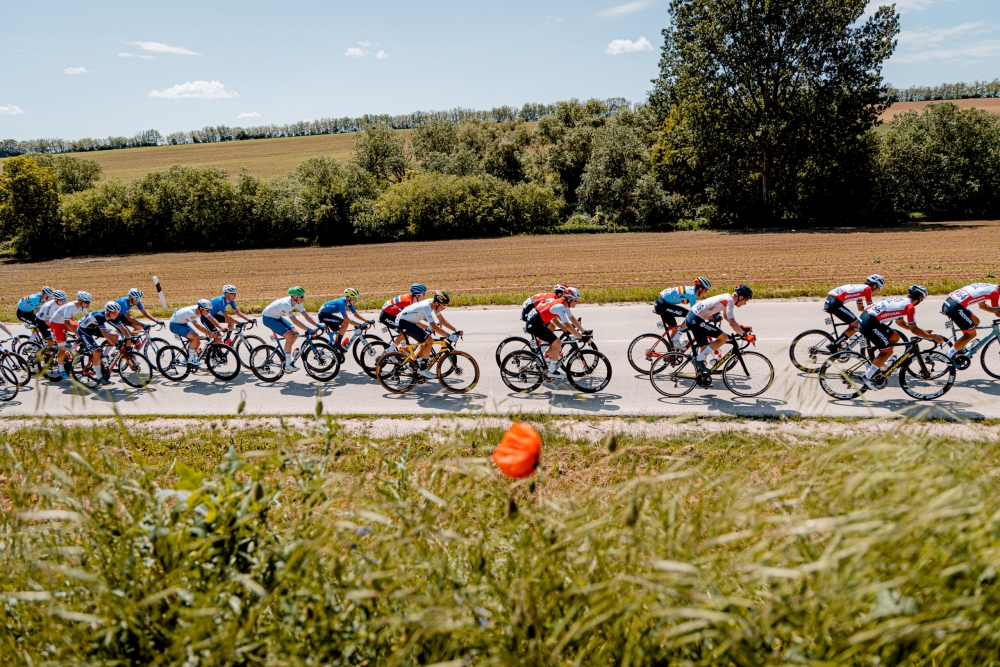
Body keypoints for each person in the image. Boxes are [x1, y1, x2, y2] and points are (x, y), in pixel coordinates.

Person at [858, 284, 945, 390]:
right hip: (870, 324)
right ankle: (867, 377)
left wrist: (922, 330)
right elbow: (914, 330)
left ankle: (882, 364)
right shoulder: (910, 307)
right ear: (920, 299)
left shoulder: (900, 300)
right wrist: (934, 337)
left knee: (895, 337)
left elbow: (901, 323)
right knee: (887, 351)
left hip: (867, 318)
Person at [686, 284, 754, 373]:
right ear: (741, 297)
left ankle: (701, 374)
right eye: (746, 300)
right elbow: (732, 323)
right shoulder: (729, 300)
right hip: (696, 320)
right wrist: (745, 335)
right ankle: (698, 360)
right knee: (723, 338)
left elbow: (726, 317)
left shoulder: (728, 298)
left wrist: (741, 326)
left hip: (693, 317)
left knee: (704, 346)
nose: (745, 303)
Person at [524, 286, 588, 379]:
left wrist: (584, 331)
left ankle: (545, 358)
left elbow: (572, 318)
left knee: (554, 340)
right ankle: (552, 371)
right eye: (576, 300)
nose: (577, 302)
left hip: (537, 321)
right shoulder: (560, 306)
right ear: (569, 299)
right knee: (558, 343)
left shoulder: (563, 304)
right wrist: (582, 337)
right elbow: (567, 326)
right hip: (534, 324)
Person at [395, 291, 461, 379]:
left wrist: (456, 330)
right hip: (403, 323)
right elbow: (434, 327)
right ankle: (422, 369)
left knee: (425, 341)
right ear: (437, 303)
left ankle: (412, 365)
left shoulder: (433, 303)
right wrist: (449, 336)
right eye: (443, 306)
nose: (444, 308)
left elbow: (441, 320)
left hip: (409, 322)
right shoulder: (427, 306)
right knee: (429, 340)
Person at [261, 287, 321, 372]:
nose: (303, 298)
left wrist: (318, 325)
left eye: (303, 295)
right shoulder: (286, 304)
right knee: (289, 335)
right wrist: (308, 329)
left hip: (277, 317)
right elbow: (294, 320)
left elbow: (306, 315)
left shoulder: (298, 302)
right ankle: (288, 365)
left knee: (295, 333)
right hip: (268, 318)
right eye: (301, 296)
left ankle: (287, 354)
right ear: (294, 297)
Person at [824, 274, 885, 351]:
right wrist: (880, 315)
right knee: (857, 325)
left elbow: (860, 308)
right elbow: (871, 307)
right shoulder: (868, 289)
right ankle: (834, 345)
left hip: (830, 301)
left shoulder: (862, 289)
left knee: (854, 324)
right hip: (835, 304)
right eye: (880, 288)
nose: (879, 291)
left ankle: (841, 343)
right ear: (875, 286)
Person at [941, 281, 1000, 358]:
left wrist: (996, 311)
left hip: (950, 302)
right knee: (971, 334)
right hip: (956, 307)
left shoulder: (988, 287)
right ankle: (948, 356)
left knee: (976, 321)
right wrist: (997, 312)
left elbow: (983, 306)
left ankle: (961, 346)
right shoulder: (995, 293)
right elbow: (998, 313)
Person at [77, 301, 131, 384]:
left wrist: (130, 338)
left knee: (115, 335)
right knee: (97, 352)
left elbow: (122, 328)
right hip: (84, 330)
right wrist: (116, 344)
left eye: (117, 313)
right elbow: (104, 333)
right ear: (108, 312)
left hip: (95, 327)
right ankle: (99, 377)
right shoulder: (99, 316)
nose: (116, 315)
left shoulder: (112, 315)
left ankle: (105, 356)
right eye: (114, 313)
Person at [655, 277, 711, 349]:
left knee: (674, 328)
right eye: (706, 290)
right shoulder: (691, 295)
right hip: (662, 305)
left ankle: (671, 352)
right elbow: (696, 312)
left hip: (662, 303)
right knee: (689, 316)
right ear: (700, 289)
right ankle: (676, 339)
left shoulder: (691, 290)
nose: (706, 292)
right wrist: (709, 315)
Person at [50, 291, 92, 379]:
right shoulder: (70, 306)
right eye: (87, 302)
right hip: (56, 323)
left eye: (89, 302)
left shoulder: (82, 306)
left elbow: (88, 318)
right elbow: (67, 322)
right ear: (80, 301)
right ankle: (61, 369)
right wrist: (77, 334)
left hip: (66, 322)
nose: (88, 304)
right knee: (62, 348)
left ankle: (73, 349)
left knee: (84, 332)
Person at [169, 299, 218, 368]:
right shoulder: (190, 312)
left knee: (197, 342)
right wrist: (209, 333)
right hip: (175, 325)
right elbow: (197, 325)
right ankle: (190, 360)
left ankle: (188, 358)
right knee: (195, 336)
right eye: (207, 310)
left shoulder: (203, 310)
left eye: (209, 310)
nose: (208, 312)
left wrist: (221, 328)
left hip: (182, 323)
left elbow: (211, 319)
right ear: (201, 308)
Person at [380, 283, 427, 350]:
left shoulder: (413, 300)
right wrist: (427, 326)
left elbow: (420, 314)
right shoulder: (407, 302)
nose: (425, 296)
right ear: (417, 295)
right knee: (405, 332)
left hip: (393, 313)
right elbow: (412, 320)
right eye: (424, 294)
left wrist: (432, 321)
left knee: (406, 333)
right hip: (387, 315)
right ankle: (389, 350)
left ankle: (403, 350)